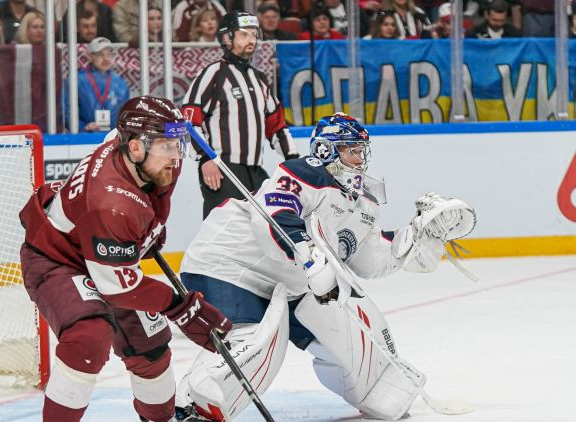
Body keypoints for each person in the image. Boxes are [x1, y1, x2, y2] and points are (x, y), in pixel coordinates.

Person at [173, 113, 477, 421]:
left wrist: (414, 236)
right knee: (255, 340)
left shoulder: (363, 202)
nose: (359, 158)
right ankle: (192, 404)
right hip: (230, 263)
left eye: (361, 150)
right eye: (350, 149)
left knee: (350, 346)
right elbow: (276, 214)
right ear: (324, 150)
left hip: (290, 280)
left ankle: (377, 391)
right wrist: (308, 255)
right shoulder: (305, 172)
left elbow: (370, 260)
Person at [19, 96, 233, 421]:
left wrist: (150, 230)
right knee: (88, 338)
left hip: (105, 252)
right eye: (167, 146)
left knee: (151, 346)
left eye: (179, 145)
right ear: (135, 148)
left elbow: (151, 195)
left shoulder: (143, 154)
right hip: (59, 259)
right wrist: (182, 307)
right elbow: (119, 288)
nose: (177, 158)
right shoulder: (111, 202)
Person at [181, 11, 298, 219]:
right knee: (223, 231)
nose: (251, 40)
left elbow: (277, 125)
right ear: (227, 38)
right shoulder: (213, 74)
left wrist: (294, 161)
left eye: (254, 34)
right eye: (244, 34)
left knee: (265, 229)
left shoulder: (259, 79)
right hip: (223, 168)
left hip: (255, 170)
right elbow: (188, 121)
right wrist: (206, 159)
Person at [65, 37, 130, 132]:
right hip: (85, 139)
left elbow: (126, 113)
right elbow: (66, 112)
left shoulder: (120, 82)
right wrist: (83, 127)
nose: (106, 58)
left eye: (109, 54)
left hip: (114, 137)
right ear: (91, 56)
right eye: (101, 54)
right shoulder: (77, 80)